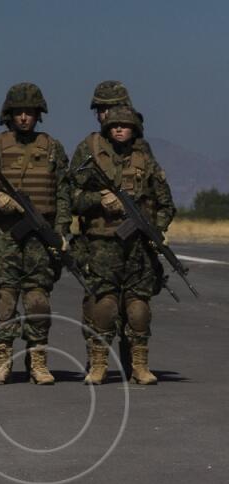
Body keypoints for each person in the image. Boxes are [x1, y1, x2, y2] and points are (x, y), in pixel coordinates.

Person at [0, 83, 72, 385]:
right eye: (19, 113)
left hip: (41, 237)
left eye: (30, 112)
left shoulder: (53, 148)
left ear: (38, 115)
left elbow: (63, 192)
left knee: (38, 299)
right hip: (5, 236)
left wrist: (63, 230)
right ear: (9, 115)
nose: (25, 118)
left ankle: (38, 360)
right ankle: (2, 360)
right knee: (4, 298)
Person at [69, 105, 175, 385]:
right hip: (102, 246)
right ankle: (99, 364)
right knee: (104, 306)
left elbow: (166, 203)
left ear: (134, 130)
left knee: (139, 308)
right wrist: (98, 200)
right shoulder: (92, 159)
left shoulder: (146, 161)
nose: (118, 128)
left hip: (139, 248)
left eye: (125, 125)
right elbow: (71, 198)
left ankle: (140, 365)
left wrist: (158, 229)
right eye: (114, 125)